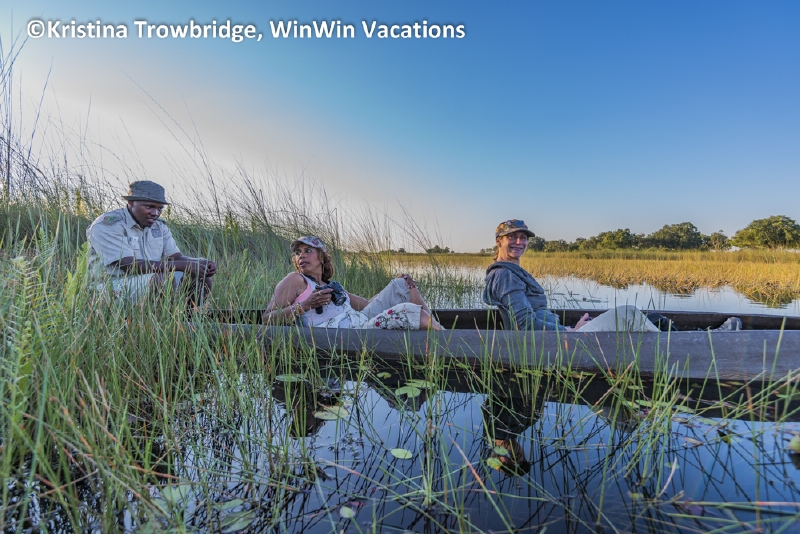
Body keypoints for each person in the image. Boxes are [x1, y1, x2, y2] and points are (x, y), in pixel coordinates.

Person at [482, 219, 659, 332]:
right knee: (628, 313)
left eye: (523, 237)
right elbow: (525, 324)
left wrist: (568, 328)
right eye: (511, 237)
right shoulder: (504, 275)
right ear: (499, 241)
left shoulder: (511, 271)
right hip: (552, 343)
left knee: (650, 319)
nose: (519, 242)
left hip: (556, 335)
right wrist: (570, 331)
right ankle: (667, 350)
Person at [263, 235, 441, 330]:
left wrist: (403, 285)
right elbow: (267, 319)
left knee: (401, 284)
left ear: (322, 257)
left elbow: (368, 305)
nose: (301, 255)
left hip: (359, 322)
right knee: (408, 311)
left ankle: (441, 332)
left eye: (308, 251)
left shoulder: (333, 287)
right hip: (346, 335)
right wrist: (305, 306)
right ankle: (447, 341)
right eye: (298, 253)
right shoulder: (295, 280)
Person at [86, 180, 217, 305]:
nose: (155, 213)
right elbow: (128, 265)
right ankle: (157, 319)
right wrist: (184, 265)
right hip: (109, 287)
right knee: (163, 279)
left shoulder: (159, 226)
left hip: (147, 280)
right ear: (131, 203)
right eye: (149, 207)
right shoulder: (108, 225)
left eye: (160, 208)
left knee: (200, 275)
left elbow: (176, 257)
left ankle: (190, 317)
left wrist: (200, 262)